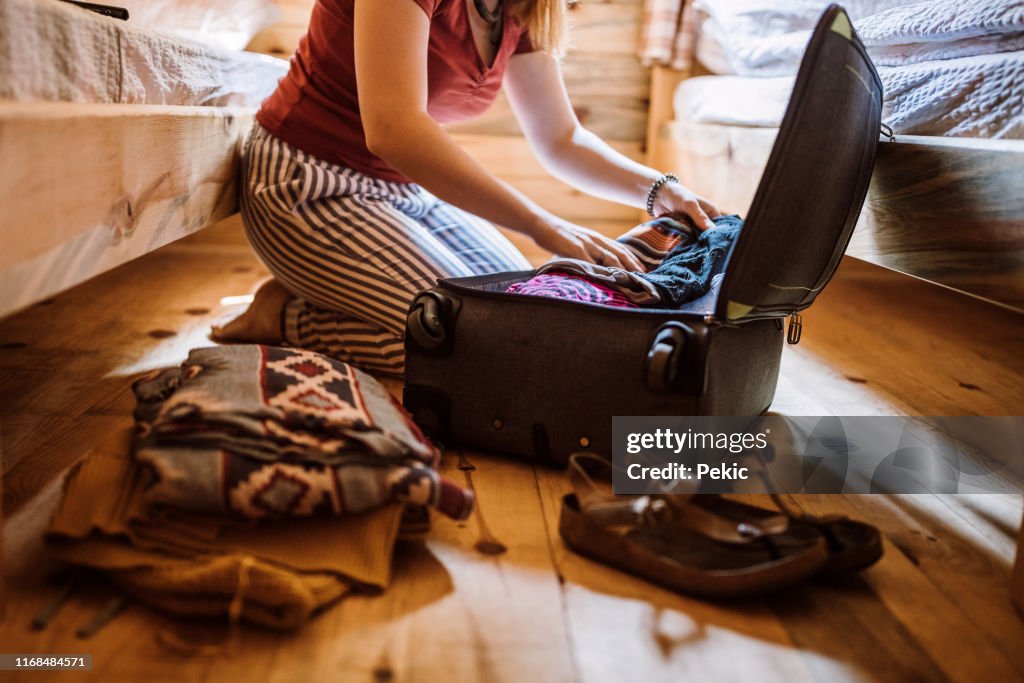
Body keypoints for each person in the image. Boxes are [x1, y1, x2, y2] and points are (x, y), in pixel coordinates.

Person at [213, 0, 721, 375]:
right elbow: (393, 128)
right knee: (478, 351)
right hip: (304, 182)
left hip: (403, 193)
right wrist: (543, 224)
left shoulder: (524, 8)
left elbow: (563, 138)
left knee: (531, 321)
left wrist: (659, 188)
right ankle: (286, 316)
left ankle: (331, 290)